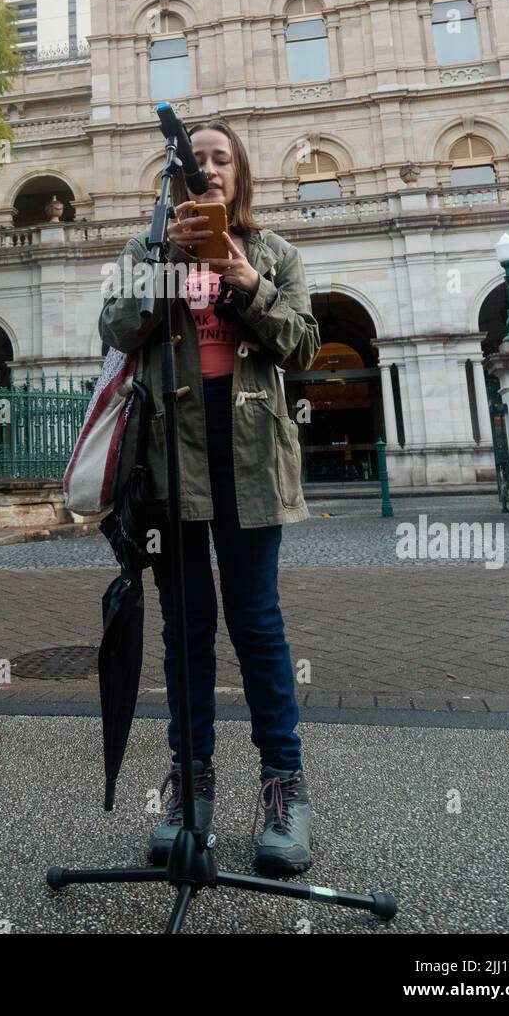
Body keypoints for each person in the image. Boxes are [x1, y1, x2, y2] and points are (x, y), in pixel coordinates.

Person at [97, 119, 321, 876]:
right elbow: (116, 327)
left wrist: (240, 277)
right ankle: (190, 787)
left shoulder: (274, 254)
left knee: (257, 624)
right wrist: (170, 262)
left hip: (252, 455)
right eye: (198, 161)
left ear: (241, 177)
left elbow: (303, 345)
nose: (211, 169)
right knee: (186, 631)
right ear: (181, 179)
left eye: (224, 159)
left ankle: (283, 790)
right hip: (168, 462)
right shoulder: (146, 250)